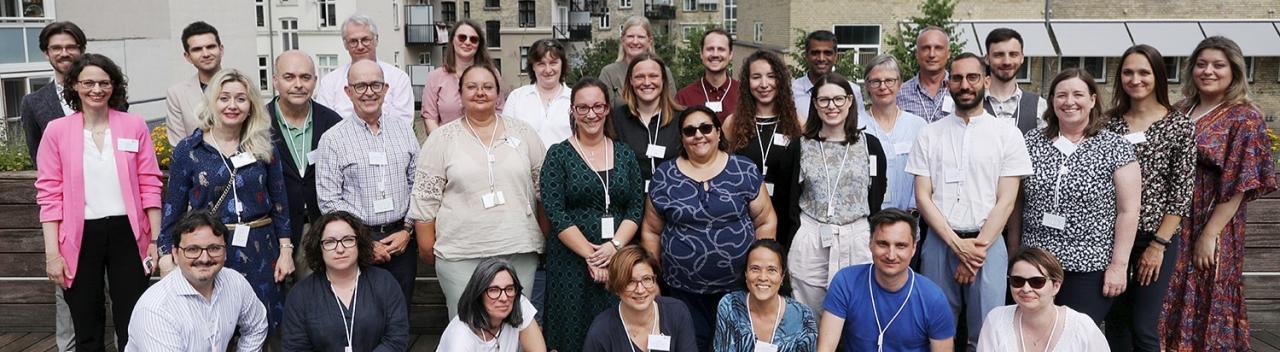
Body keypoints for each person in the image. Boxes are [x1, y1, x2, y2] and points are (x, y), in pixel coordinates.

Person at [905, 53, 1031, 349]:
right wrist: (956, 245)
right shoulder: (929, 134)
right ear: (948, 83)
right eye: (958, 78)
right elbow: (923, 197)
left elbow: (1007, 200)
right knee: (937, 329)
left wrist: (975, 250)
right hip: (940, 243)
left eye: (972, 77)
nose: (965, 85)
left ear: (986, 81)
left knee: (987, 333)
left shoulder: (1007, 134)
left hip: (989, 244)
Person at [35, 53, 160, 352]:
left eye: (104, 82)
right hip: (79, 237)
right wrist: (52, 254)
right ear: (74, 85)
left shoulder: (134, 125)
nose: (96, 89)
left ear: (113, 86)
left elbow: (150, 184)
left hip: (129, 235)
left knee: (133, 321)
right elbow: (49, 195)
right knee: (86, 324)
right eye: (88, 82)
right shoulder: (56, 131)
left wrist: (156, 240)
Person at [1161, 36, 1277, 351]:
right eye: (1201, 64)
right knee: (1169, 290)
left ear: (1234, 71)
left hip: (1213, 221)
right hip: (1173, 220)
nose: (1208, 71)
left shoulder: (1244, 117)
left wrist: (1210, 234)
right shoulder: (1181, 109)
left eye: (1218, 65)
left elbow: (1241, 181)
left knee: (1206, 288)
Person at [158, 69, 294, 334]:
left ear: (251, 105)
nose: (232, 105)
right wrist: (166, 255)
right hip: (209, 252)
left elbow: (280, 203)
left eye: (241, 99)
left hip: (261, 250)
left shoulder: (263, 145)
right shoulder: (189, 150)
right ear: (212, 102)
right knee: (214, 327)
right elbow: (173, 208)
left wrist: (286, 251)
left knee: (262, 326)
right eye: (224, 98)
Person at [410, 63, 547, 318]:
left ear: (498, 94)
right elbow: (425, 200)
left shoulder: (524, 133)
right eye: (472, 87)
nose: (480, 92)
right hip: (460, 255)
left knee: (516, 326)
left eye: (487, 87)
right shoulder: (441, 139)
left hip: (518, 250)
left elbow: (543, 192)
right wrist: (428, 250)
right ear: (460, 93)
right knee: (466, 327)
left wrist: (542, 238)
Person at [1009, 68, 1141, 323]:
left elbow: (1129, 211)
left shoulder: (1115, 146)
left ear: (1092, 100)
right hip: (1035, 266)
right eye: (1061, 95)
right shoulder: (1031, 142)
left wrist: (1119, 266)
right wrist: (1014, 251)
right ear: (1052, 101)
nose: (1069, 101)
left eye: (1078, 94)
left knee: (1076, 335)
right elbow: (1017, 201)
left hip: (1089, 266)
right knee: (1036, 332)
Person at [641, 106, 778, 350]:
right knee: (691, 345)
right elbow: (652, 230)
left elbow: (765, 220)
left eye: (705, 128)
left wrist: (759, 270)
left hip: (737, 287)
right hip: (682, 290)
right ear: (682, 138)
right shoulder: (665, 175)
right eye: (690, 130)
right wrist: (654, 278)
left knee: (733, 346)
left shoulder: (743, 169)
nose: (698, 135)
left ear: (718, 132)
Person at [538, 77, 645, 351]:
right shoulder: (558, 155)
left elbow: (635, 207)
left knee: (617, 334)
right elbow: (556, 212)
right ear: (573, 111)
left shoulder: (624, 153)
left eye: (598, 106)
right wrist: (592, 256)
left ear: (607, 108)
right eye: (583, 108)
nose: (591, 114)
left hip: (618, 260)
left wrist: (613, 248)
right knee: (571, 335)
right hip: (570, 262)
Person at [1101, 44, 1194, 352]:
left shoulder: (1179, 126)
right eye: (1128, 72)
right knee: (1115, 322)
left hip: (1154, 239)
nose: (1135, 79)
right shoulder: (1108, 124)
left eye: (1144, 72)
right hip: (1112, 238)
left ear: (1158, 76)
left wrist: (1158, 246)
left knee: (1143, 324)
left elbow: (1181, 192)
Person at [316, 59, 420, 307]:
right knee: (362, 315)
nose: (369, 92)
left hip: (401, 241)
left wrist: (407, 230)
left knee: (400, 313)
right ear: (348, 91)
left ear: (386, 89)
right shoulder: (332, 139)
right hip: (355, 243)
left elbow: (418, 184)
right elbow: (329, 200)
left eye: (375, 85)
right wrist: (363, 242)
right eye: (360, 86)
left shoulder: (404, 131)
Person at [790, 72, 888, 315]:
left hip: (857, 237)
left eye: (838, 99)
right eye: (824, 100)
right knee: (809, 314)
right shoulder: (800, 146)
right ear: (815, 104)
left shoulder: (870, 145)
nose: (831, 106)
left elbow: (877, 193)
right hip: (812, 238)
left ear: (850, 101)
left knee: (858, 313)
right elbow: (788, 197)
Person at [20, 21, 88, 352]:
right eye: (56, 48)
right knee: (67, 287)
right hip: (65, 212)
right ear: (46, 54)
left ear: (81, 50)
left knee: (114, 287)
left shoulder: (103, 90)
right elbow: (40, 161)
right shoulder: (34, 103)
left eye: (70, 46)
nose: (64, 53)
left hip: (111, 206)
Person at [126, 211, 268, 351]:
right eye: (193, 249)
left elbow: (257, 326)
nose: (204, 259)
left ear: (225, 252)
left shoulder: (235, 283)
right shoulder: (156, 310)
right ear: (175, 254)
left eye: (214, 248)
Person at [816, 209, 954, 352]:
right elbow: (826, 348)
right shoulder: (846, 282)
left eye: (900, 246)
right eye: (883, 244)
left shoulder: (933, 298)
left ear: (913, 248)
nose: (891, 255)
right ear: (870, 244)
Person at [282, 211, 410, 351]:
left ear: (358, 243)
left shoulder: (384, 283)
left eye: (348, 240)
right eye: (330, 242)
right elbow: (296, 347)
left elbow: (397, 338)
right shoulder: (300, 295)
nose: (340, 249)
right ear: (319, 247)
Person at [267, 50, 345, 279]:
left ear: (315, 81)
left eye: (305, 77)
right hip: (272, 230)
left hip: (318, 227)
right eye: (289, 77)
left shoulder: (332, 122)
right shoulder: (257, 123)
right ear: (275, 81)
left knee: (316, 294)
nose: (298, 84)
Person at [722, 51, 804, 247]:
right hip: (742, 218)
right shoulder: (732, 124)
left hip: (786, 217)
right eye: (756, 77)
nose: (764, 84)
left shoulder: (798, 124)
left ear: (780, 81)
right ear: (747, 83)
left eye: (771, 76)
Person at [975, 248, 1109, 351]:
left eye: (1037, 282)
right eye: (1017, 281)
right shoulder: (996, 320)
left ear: (1056, 286)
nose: (1026, 289)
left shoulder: (1082, 327)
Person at [583, 246, 699, 352]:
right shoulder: (601, 331)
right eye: (630, 282)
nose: (640, 290)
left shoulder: (676, 312)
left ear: (654, 280)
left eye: (646, 279)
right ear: (617, 287)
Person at [713, 239, 818, 352]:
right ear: (746, 274)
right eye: (755, 269)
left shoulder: (803, 316)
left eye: (771, 270)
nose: (763, 277)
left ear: (782, 276)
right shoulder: (730, 306)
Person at [314, 14, 415, 124]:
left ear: (376, 40)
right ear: (345, 45)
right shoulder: (329, 82)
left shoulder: (398, 79)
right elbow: (325, 123)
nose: (360, 46)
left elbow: (403, 123)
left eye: (365, 40)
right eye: (353, 41)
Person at [859, 54, 926, 212]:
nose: (883, 87)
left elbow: (925, 174)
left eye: (889, 80)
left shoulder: (918, 126)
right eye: (875, 81)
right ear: (867, 85)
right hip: (866, 217)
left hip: (908, 217)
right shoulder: (856, 125)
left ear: (900, 83)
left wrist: (913, 210)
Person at [437, 258, 547, 352]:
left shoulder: (517, 302)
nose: (504, 298)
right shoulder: (461, 339)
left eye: (509, 289)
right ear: (478, 295)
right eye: (494, 290)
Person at [611, 53, 683, 189]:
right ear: (631, 81)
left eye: (653, 76)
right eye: (639, 77)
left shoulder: (682, 119)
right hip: (630, 198)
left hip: (673, 197)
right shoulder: (616, 119)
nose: (646, 82)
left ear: (663, 80)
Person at [423, 20, 506, 133]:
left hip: (485, 140)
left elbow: (499, 111)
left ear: (479, 44)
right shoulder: (435, 77)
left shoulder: (492, 74)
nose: (467, 42)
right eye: (462, 38)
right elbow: (430, 118)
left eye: (473, 39)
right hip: (447, 141)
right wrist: (441, 142)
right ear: (452, 40)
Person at [502, 38, 571, 146]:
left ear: (562, 64)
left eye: (553, 63)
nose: (548, 70)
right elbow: (506, 138)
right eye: (541, 64)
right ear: (533, 66)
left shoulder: (575, 99)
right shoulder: (516, 97)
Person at [165, 21, 224, 144]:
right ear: (188, 56)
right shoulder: (177, 94)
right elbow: (179, 145)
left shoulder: (243, 85)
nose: (206, 54)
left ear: (221, 49)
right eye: (197, 49)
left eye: (210, 47)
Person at [597, 16, 676, 104]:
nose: (635, 42)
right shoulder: (609, 74)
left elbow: (671, 106)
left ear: (649, 41)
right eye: (630, 36)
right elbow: (602, 107)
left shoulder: (663, 72)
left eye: (640, 37)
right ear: (622, 40)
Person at [982, 28, 1047, 134]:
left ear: (1022, 58)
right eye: (999, 55)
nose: (1007, 62)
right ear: (987, 59)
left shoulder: (1039, 106)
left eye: (1013, 54)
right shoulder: (971, 103)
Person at [793, 30, 866, 123]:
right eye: (815, 53)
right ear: (806, 56)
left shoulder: (852, 90)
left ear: (835, 56)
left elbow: (858, 125)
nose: (821, 58)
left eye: (827, 53)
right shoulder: (790, 92)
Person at [675, 28, 739, 121]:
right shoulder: (683, 98)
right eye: (710, 49)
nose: (715, 54)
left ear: (730, 54)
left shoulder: (744, 95)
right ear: (701, 53)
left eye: (721, 49)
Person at [897, 26, 954, 123]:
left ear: (948, 54)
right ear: (917, 54)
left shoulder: (960, 90)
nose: (932, 54)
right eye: (925, 48)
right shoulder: (899, 94)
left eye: (938, 48)